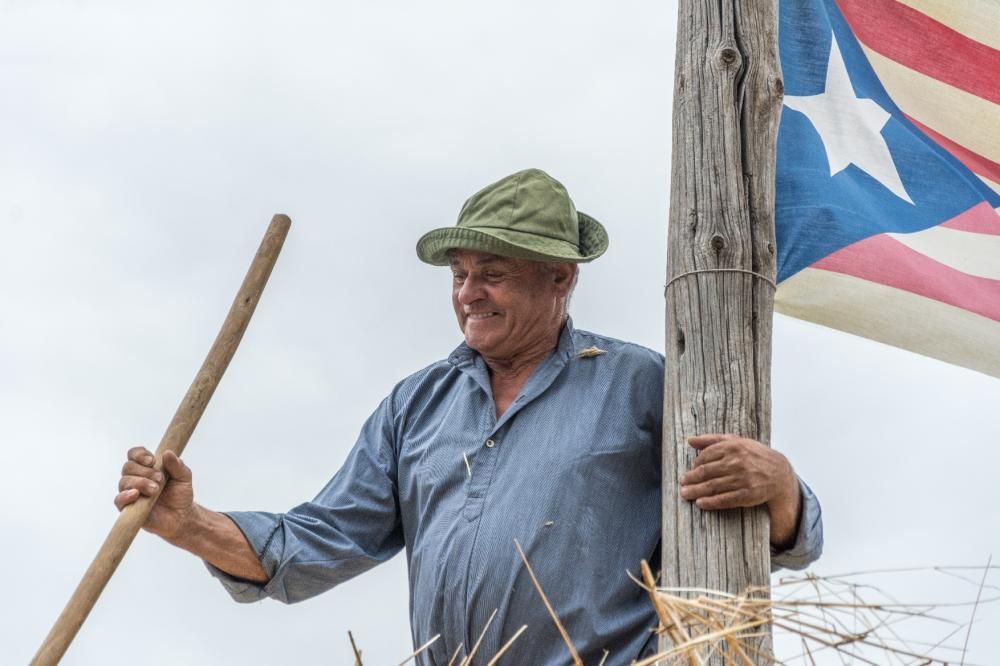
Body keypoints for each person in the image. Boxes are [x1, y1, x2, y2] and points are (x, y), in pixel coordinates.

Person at [116, 168, 822, 664]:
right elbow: (320, 542)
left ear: (561, 276)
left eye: (492, 272)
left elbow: (773, 530)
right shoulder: (415, 406)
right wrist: (189, 525)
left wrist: (782, 490)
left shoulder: (641, 386)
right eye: (459, 274)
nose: (468, 294)